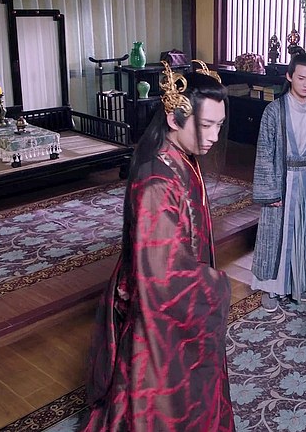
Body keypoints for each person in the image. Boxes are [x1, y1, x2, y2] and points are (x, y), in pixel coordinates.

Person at [80, 61, 235, 431]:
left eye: (219, 125)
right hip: (159, 303)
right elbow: (162, 275)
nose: (214, 135)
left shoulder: (182, 158)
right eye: (206, 125)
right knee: (163, 397)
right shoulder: (157, 182)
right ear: (173, 119)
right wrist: (215, 285)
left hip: (175, 287)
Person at [251, 53, 306, 311]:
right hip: (281, 177)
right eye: (301, 78)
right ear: (289, 77)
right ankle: (271, 288)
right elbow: (265, 152)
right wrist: (270, 191)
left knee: (304, 230)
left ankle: (300, 282)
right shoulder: (274, 111)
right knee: (277, 233)